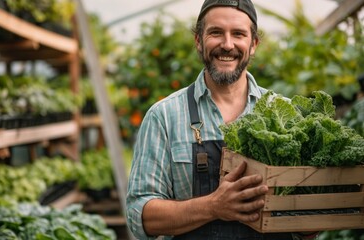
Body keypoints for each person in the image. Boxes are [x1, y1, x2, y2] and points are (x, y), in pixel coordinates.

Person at [126, 0, 318, 239]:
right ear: (198, 40)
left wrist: (310, 216)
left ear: (254, 43)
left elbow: (306, 225)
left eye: (238, 34)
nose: (227, 45)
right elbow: (139, 215)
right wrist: (213, 206)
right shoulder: (164, 116)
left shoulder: (285, 113)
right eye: (216, 33)